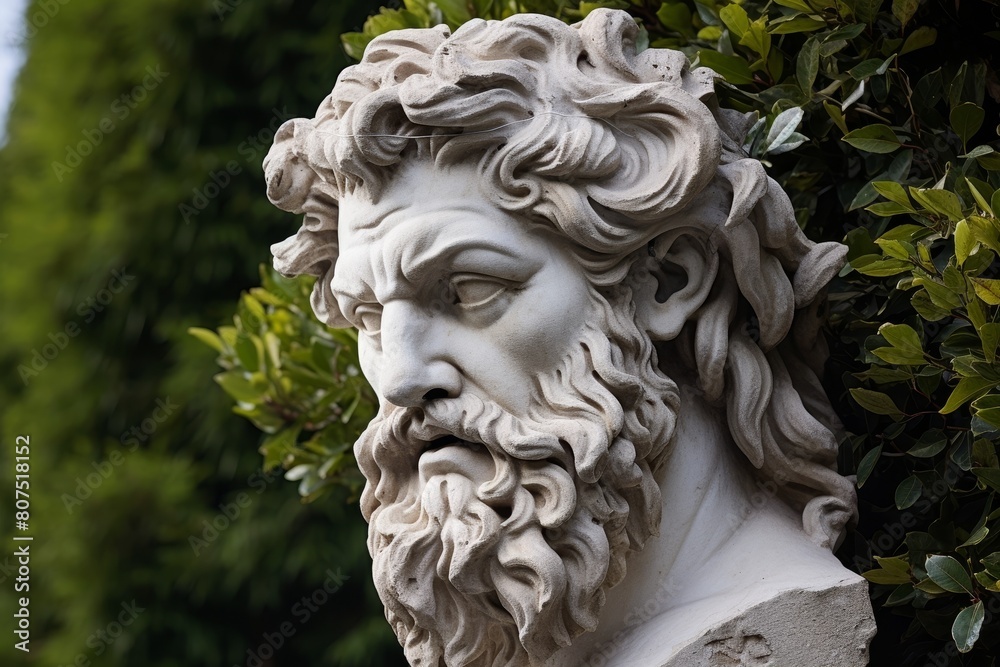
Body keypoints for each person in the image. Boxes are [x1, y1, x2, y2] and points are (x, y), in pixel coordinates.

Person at [263, 9, 875, 666]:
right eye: (369, 318)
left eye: (470, 291)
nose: (400, 375)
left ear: (668, 279)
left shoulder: (777, 626)